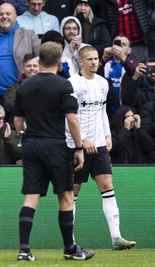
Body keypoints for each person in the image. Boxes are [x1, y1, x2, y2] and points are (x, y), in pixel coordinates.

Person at [13, 41, 94, 261]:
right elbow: (72, 120)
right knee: (66, 196)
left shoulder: (25, 86)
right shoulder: (63, 85)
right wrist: (79, 147)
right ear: (59, 63)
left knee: (31, 197)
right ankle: (70, 250)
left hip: (31, 145)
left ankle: (24, 250)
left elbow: (18, 122)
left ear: (39, 61)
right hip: (55, 146)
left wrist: (28, 132)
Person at [67, 45, 137, 250]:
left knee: (107, 187)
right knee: (72, 192)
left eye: (96, 59)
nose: (93, 62)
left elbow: (102, 111)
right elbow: (67, 118)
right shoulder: (72, 84)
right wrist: (82, 139)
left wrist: (107, 134)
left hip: (98, 145)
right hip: (76, 146)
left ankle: (116, 237)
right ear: (80, 62)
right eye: (88, 59)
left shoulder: (103, 83)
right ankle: (69, 241)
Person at [0, 2, 40, 119]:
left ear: (15, 16)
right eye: (1, 14)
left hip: (22, 94)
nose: (4, 16)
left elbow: (41, 60)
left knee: (19, 132)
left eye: (8, 13)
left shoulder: (29, 35)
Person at [99, 35, 139, 115]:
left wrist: (123, 58)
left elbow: (134, 72)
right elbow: (92, 73)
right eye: (117, 43)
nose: (120, 46)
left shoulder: (134, 64)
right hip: (106, 111)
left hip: (126, 112)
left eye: (123, 44)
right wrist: (104, 58)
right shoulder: (105, 64)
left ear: (129, 50)